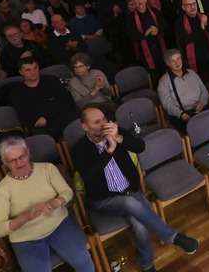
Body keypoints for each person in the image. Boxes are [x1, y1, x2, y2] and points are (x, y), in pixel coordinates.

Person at [71, 106, 199, 272]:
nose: (103, 124)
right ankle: (173, 237)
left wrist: (118, 138)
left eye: (104, 119)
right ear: (85, 127)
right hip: (103, 200)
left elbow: (140, 147)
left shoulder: (116, 132)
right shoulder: (79, 150)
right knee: (131, 203)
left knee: (139, 222)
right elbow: (90, 175)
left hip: (129, 190)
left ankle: (146, 265)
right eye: (97, 122)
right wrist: (109, 151)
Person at [0, 137, 94, 272]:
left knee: (85, 264)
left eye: (22, 157)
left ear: (28, 152)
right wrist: (25, 217)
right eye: (13, 160)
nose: (20, 163)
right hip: (26, 240)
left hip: (59, 225)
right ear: (4, 162)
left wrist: (55, 202)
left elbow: (67, 192)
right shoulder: (1, 190)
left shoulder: (47, 168)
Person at [10, 57, 77, 139]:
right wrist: (50, 110)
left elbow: (63, 101)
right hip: (42, 127)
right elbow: (25, 116)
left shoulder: (52, 80)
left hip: (63, 118)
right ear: (21, 72)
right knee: (40, 134)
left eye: (35, 68)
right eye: (28, 70)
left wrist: (45, 117)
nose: (33, 72)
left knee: (74, 119)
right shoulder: (18, 92)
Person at [158, 49, 209, 135]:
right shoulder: (164, 81)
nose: (177, 63)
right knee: (198, 133)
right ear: (168, 64)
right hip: (182, 114)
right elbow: (167, 103)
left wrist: (202, 103)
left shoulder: (192, 73)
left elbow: (204, 91)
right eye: (173, 61)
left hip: (200, 108)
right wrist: (181, 114)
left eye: (179, 58)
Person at [126, 0, 167, 86]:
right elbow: (132, 36)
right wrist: (145, 34)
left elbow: (165, 25)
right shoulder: (130, 17)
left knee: (165, 70)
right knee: (154, 76)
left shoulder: (154, 11)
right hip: (145, 51)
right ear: (133, 1)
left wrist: (157, 30)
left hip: (160, 46)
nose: (139, 1)